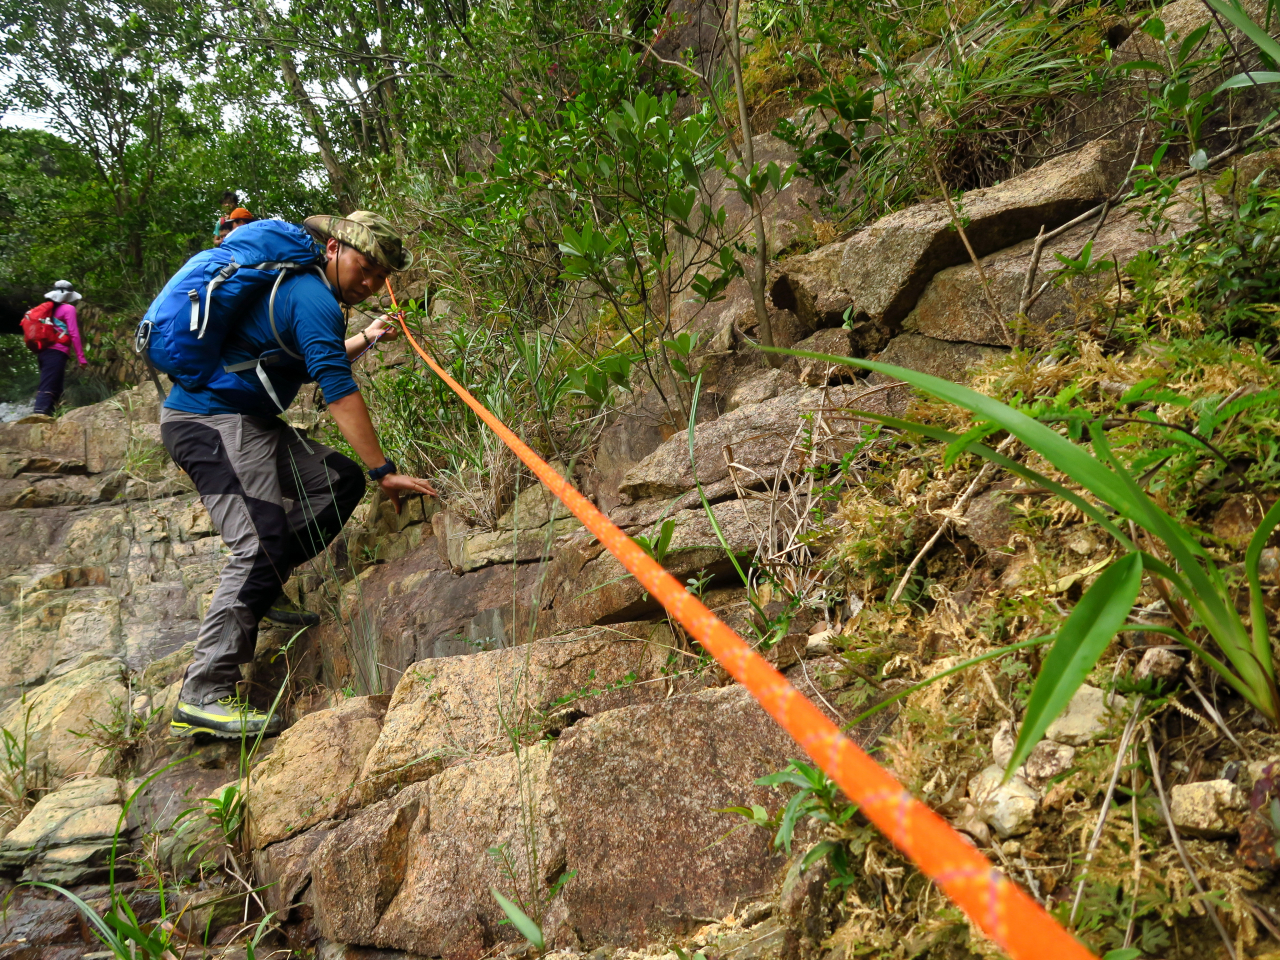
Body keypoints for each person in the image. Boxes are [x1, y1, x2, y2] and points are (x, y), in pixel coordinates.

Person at [161, 211, 437, 739]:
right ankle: (204, 694)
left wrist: (370, 337)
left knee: (337, 480)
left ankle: (263, 589)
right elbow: (335, 387)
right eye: (365, 267)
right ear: (333, 249)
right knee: (259, 543)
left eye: (381, 276)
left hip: (250, 421)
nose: (372, 282)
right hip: (207, 421)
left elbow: (319, 360)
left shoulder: (307, 294)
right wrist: (384, 471)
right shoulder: (312, 296)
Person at [32, 281, 88, 416]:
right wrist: (81, 358)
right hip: (57, 352)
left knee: (56, 386)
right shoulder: (68, 309)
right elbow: (74, 334)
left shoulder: (48, 310)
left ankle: (50, 415)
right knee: (49, 385)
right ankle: (39, 414)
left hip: (44, 352)